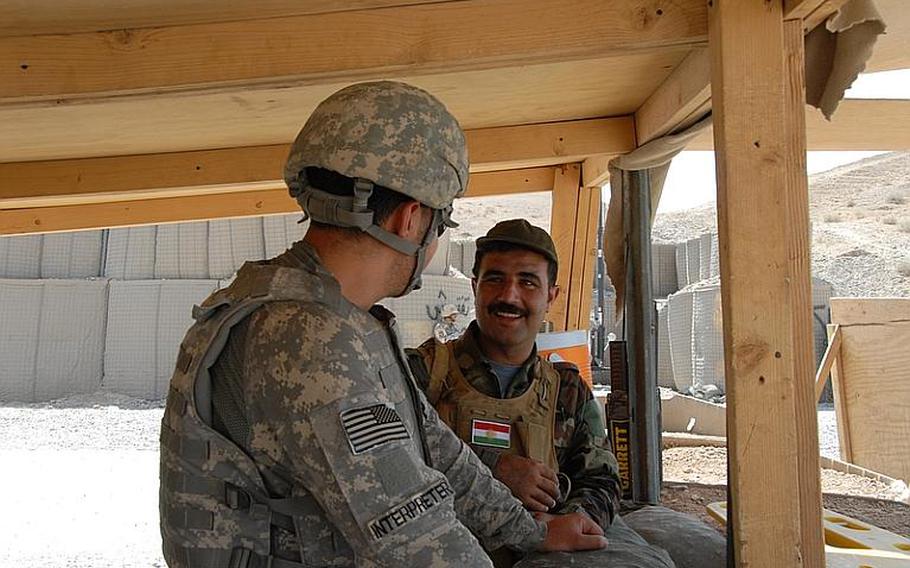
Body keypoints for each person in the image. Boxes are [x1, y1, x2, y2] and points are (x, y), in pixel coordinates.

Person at [158, 82, 608, 568]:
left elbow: (437, 450)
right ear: (410, 220)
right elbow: (416, 538)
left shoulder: (342, 320)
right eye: (439, 227)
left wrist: (530, 531)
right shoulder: (305, 335)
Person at [407, 219, 677, 567]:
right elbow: (385, 460)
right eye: (495, 279)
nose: (509, 295)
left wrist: (567, 521)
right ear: (475, 287)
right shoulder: (422, 371)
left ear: (551, 295)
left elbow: (601, 479)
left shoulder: (566, 390)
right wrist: (493, 469)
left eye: (528, 282)